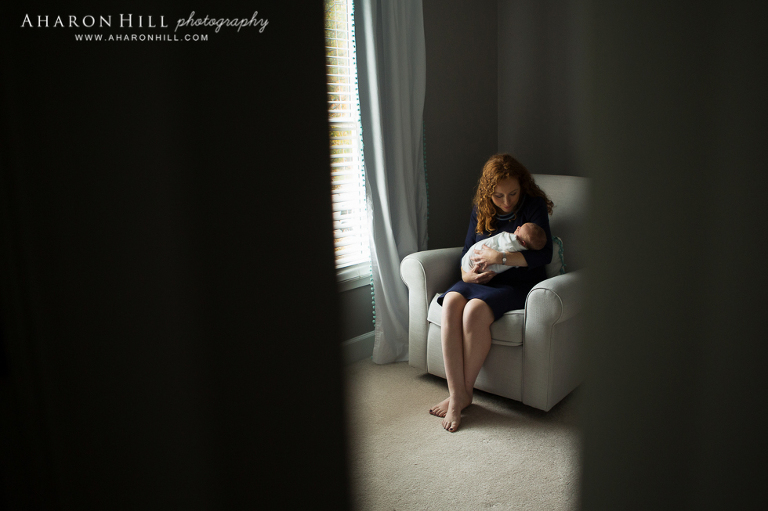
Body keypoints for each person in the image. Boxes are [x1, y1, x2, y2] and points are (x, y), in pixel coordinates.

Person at [431, 153, 554, 432]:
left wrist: (500, 258)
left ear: (522, 185)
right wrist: (468, 276)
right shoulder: (481, 208)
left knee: (474, 311)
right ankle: (457, 394)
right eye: (499, 196)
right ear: (489, 192)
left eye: (513, 193)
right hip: (479, 278)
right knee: (450, 302)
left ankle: (463, 393)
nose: (507, 202)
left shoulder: (533, 205)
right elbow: (466, 251)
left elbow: (543, 254)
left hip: (518, 281)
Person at [460, 222, 547, 274]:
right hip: (472, 273)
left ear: (523, 243)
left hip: (476, 263)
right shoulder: (522, 252)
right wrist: (465, 277)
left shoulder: (512, 241)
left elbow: (502, 241)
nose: (518, 227)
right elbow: (466, 247)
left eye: (519, 229)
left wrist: (498, 257)